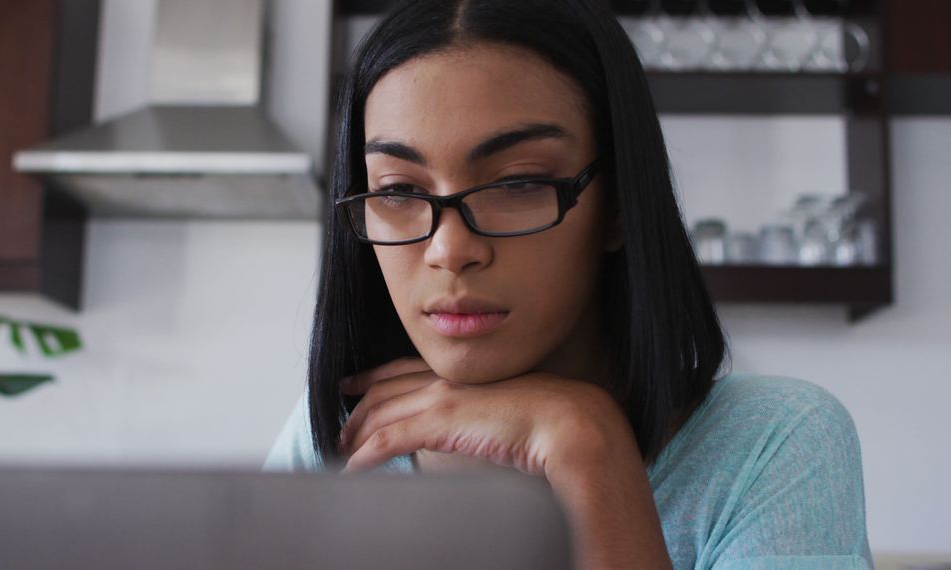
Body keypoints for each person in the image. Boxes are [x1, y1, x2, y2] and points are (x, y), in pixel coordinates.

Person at [263, 0, 873, 567]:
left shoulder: (772, 444)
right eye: (398, 191)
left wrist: (588, 452)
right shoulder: (342, 436)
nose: (450, 250)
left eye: (516, 183)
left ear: (617, 207)